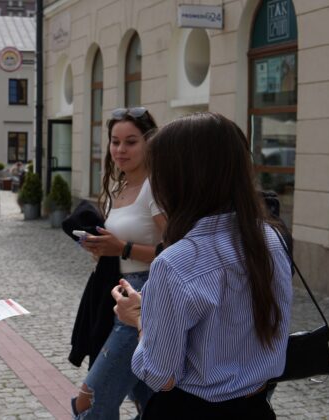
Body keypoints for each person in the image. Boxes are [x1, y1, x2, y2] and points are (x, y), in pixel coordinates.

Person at [112, 112, 292, 419]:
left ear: (178, 181)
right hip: (257, 407)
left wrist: (141, 320)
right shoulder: (270, 238)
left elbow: (161, 375)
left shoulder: (176, 263)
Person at [71, 107, 166, 419]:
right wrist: (102, 249)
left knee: (89, 401)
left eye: (131, 142)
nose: (120, 150)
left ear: (149, 143)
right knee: (151, 403)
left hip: (143, 297)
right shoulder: (120, 186)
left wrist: (122, 248)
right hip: (114, 293)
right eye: (115, 142)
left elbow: (176, 253)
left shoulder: (156, 188)